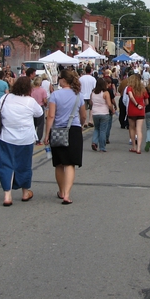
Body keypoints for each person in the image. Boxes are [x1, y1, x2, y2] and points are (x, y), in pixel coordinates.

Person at [0, 76, 43, 206]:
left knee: (5, 165)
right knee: (24, 165)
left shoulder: (5, 98)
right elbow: (39, 113)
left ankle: (7, 195)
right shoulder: (30, 101)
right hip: (25, 139)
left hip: (6, 137)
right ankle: (25, 192)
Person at [44, 69, 86, 205]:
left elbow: (51, 116)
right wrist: (81, 124)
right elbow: (83, 115)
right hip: (73, 130)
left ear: (63, 80)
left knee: (59, 163)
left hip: (57, 130)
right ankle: (67, 194)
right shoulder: (78, 95)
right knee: (70, 163)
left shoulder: (55, 95)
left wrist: (47, 134)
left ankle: (61, 191)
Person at [126, 74, 148, 154]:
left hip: (132, 109)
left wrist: (136, 104)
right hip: (141, 110)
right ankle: (139, 148)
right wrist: (141, 105)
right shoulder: (143, 89)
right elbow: (147, 102)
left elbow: (131, 97)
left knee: (132, 128)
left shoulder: (130, 88)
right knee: (139, 129)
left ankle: (134, 146)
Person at [90, 77, 113, 152]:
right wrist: (112, 110)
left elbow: (91, 103)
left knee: (96, 128)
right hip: (104, 113)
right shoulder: (105, 93)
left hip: (95, 113)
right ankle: (102, 147)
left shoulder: (93, 93)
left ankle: (94, 142)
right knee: (103, 130)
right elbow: (109, 104)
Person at [31, 76, 48, 144]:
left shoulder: (31, 90)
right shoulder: (42, 90)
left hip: (32, 107)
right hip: (40, 107)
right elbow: (44, 100)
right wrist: (45, 103)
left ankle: (32, 137)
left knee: (33, 124)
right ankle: (38, 140)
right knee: (40, 125)